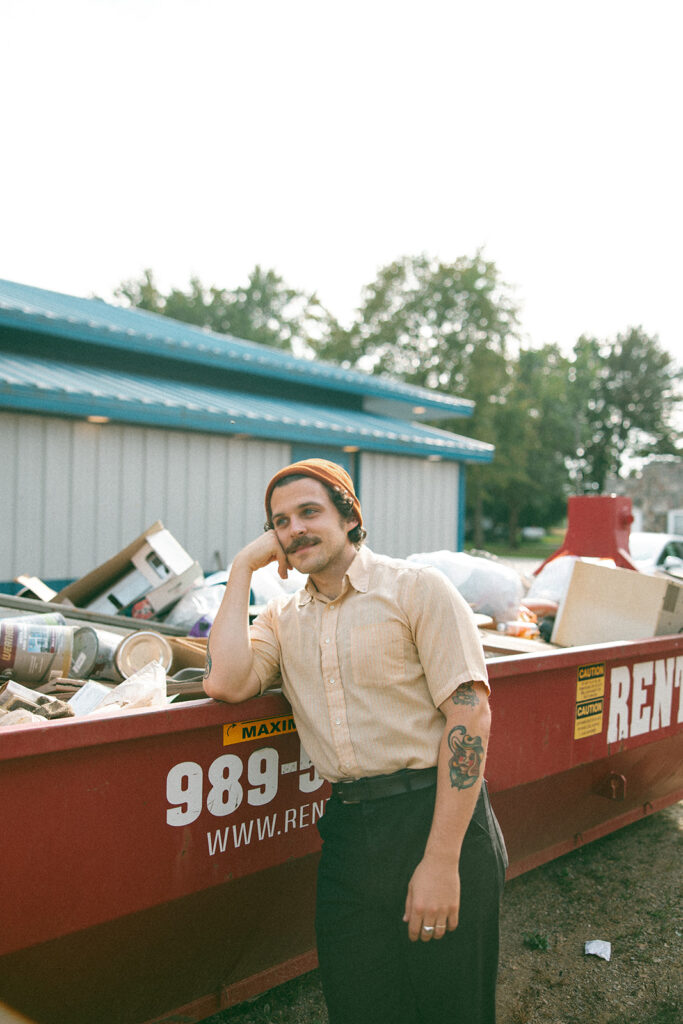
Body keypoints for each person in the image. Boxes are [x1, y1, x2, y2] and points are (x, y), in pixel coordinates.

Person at [204, 458, 507, 1024]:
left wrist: (441, 863)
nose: (293, 529)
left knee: (450, 1010)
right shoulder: (280, 617)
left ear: (349, 516)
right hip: (348, 834)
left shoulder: (416, 590)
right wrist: (243, 567)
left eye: (309, 512)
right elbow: (225, 682)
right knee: (359, 1005)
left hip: (436, 820)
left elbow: (470, 717)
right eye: (279, 522)